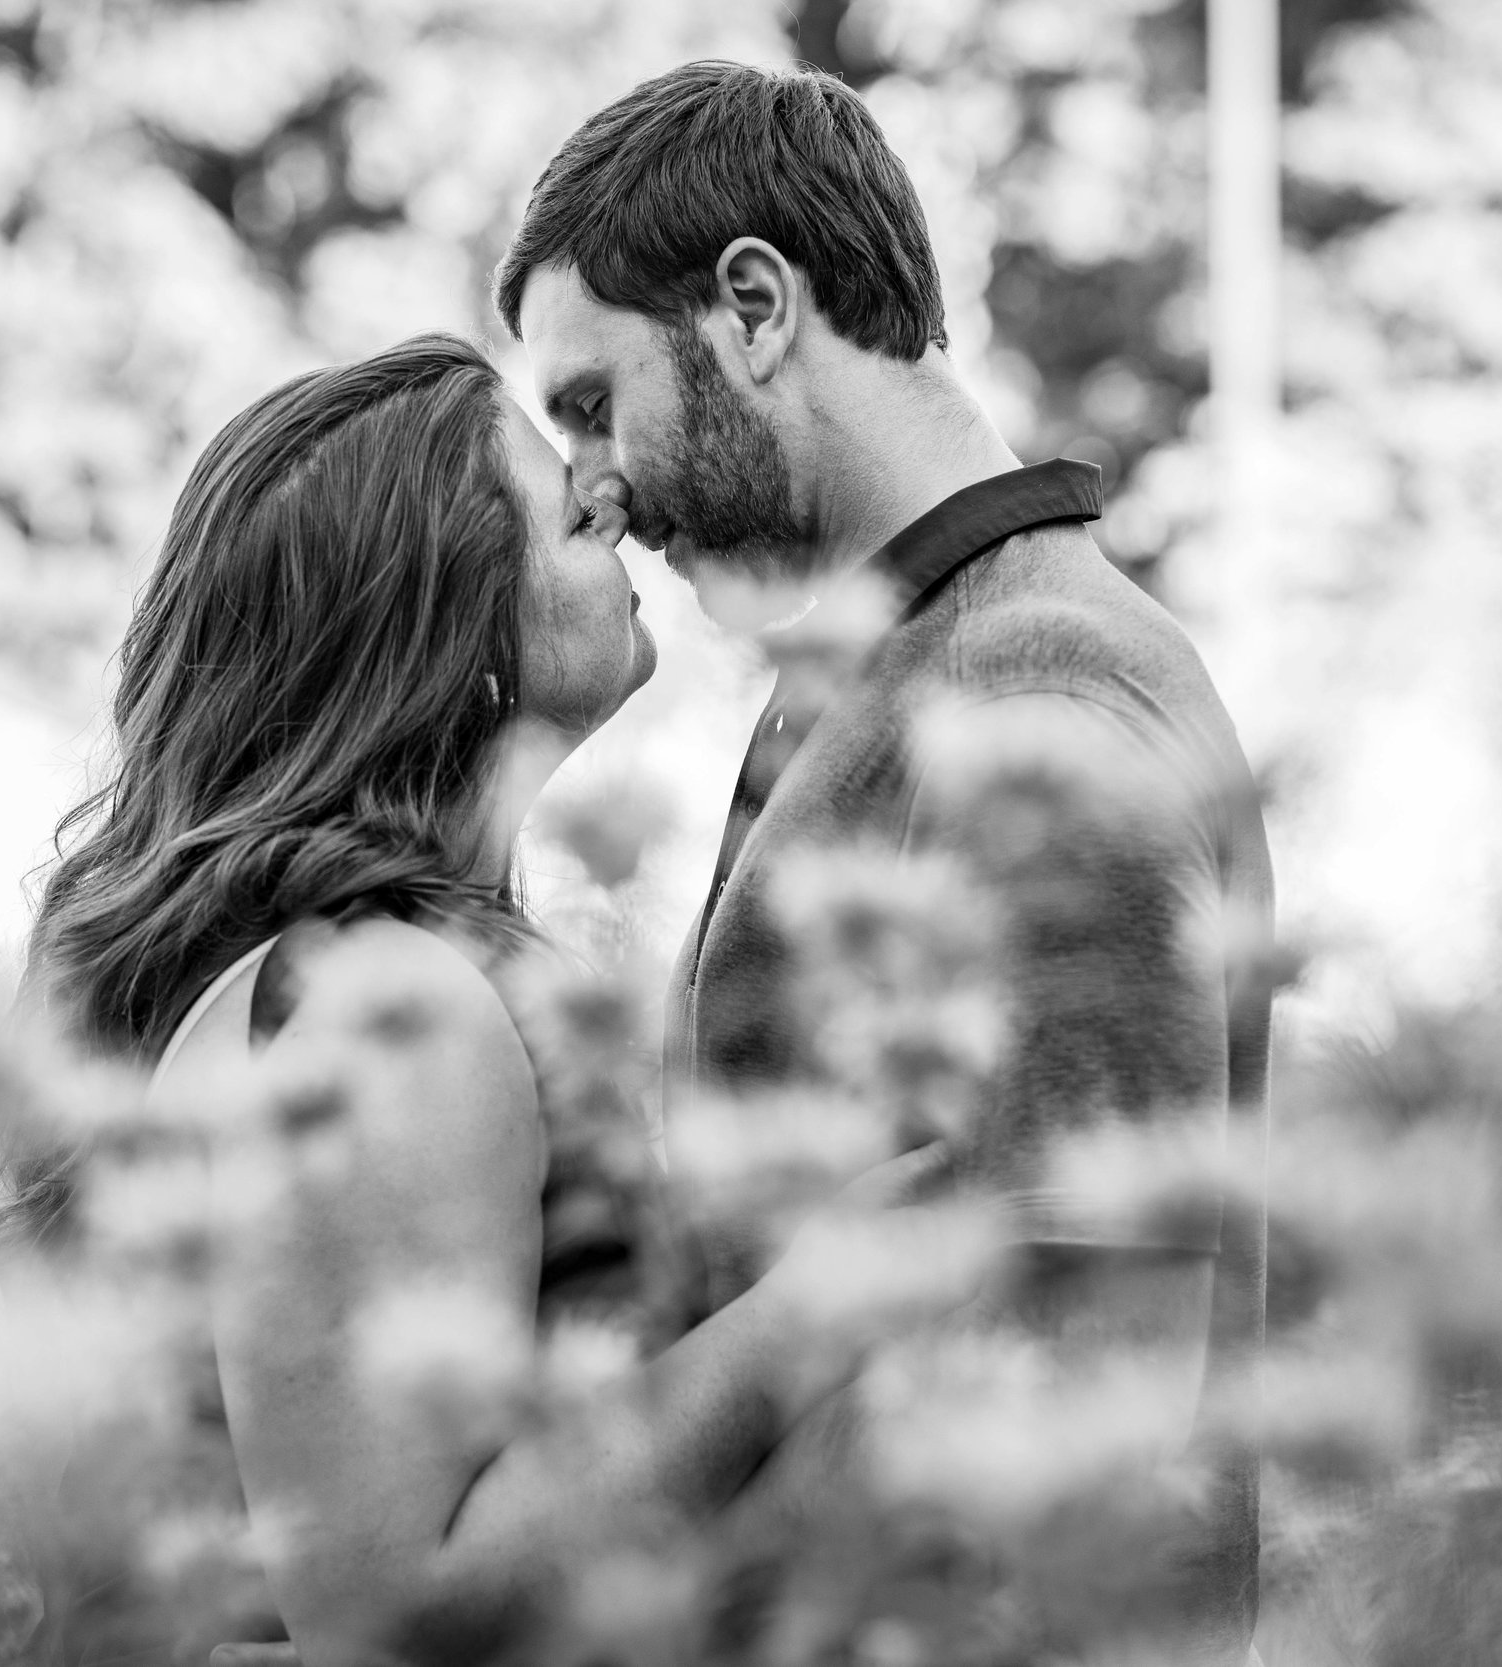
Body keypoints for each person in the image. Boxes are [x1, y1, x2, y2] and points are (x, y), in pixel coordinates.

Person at [0, 334, 968, 1667]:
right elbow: (394, 1617)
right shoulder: (396, 1011)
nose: (611, 502)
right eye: (566, 506)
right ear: (453, 627)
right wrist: (815, 1304)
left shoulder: (358, 972)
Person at [496, 61, 1275, 1663]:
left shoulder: (1038, 692)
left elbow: (1087, 1353)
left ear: (757, 308)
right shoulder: (901, 672)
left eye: (593, 401)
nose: (593, 485)